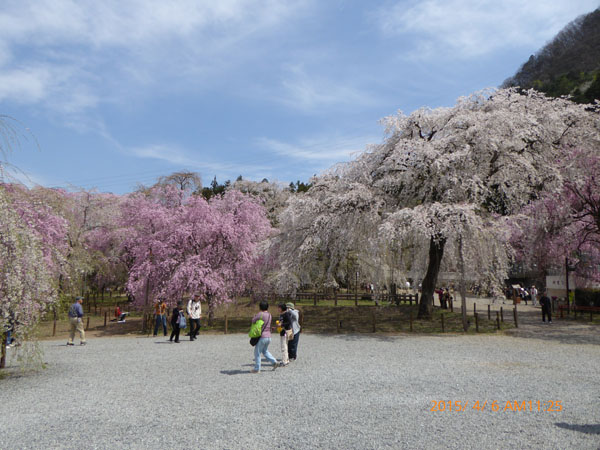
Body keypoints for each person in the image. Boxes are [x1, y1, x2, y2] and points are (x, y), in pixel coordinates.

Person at [251, 301, 278, 373]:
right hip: (268, 336)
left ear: (260, 307)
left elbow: (253, 321)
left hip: (262, 336)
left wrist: (254, 316)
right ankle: (274, 362)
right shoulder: (269, 315)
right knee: (265, 351)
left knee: (257, 352)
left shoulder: (260, 314)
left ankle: (257, 369)